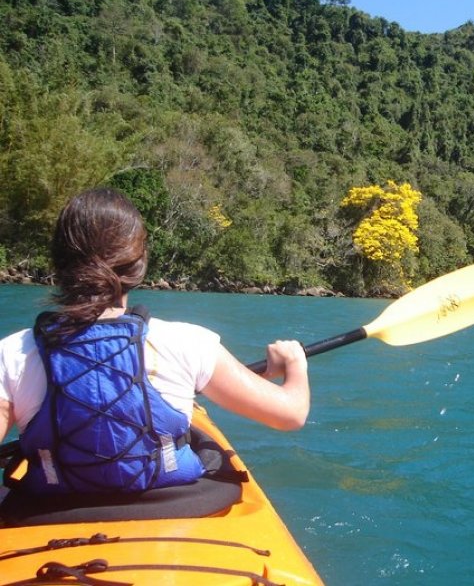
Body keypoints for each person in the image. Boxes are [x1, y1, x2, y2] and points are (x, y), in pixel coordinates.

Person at [0, 188, 309, 494]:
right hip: (170, 507)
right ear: (139, 265)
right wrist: (294, 363)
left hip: (53, 511)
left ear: (58, 263)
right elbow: (291, 414)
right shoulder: (188, 342)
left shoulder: (13, 353)